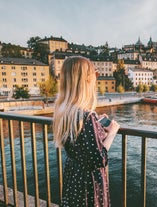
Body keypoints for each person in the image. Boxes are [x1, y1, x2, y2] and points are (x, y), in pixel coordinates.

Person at [53, 56, 120, 206]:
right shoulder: (87, 117)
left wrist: (96, 124)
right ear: (86, 81)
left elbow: (80, 143)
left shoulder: (64, 111)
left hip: (74, 177)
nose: (96, 79)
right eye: (95, 75)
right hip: (88, 184)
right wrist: (112, 131)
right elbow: (99, 159)